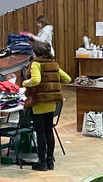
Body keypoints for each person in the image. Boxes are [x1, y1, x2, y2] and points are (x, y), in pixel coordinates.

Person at [22, 40, 71, 171]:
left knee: (41, 132)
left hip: (39, 102)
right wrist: (52, 81)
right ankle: (50, 161)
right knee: (49, 131)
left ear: (35, 53)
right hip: (51, 103)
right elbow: (67, 79)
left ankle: (41, 162)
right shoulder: (54, 65)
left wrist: (25, 83)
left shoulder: (36, 64)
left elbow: (36, 80)